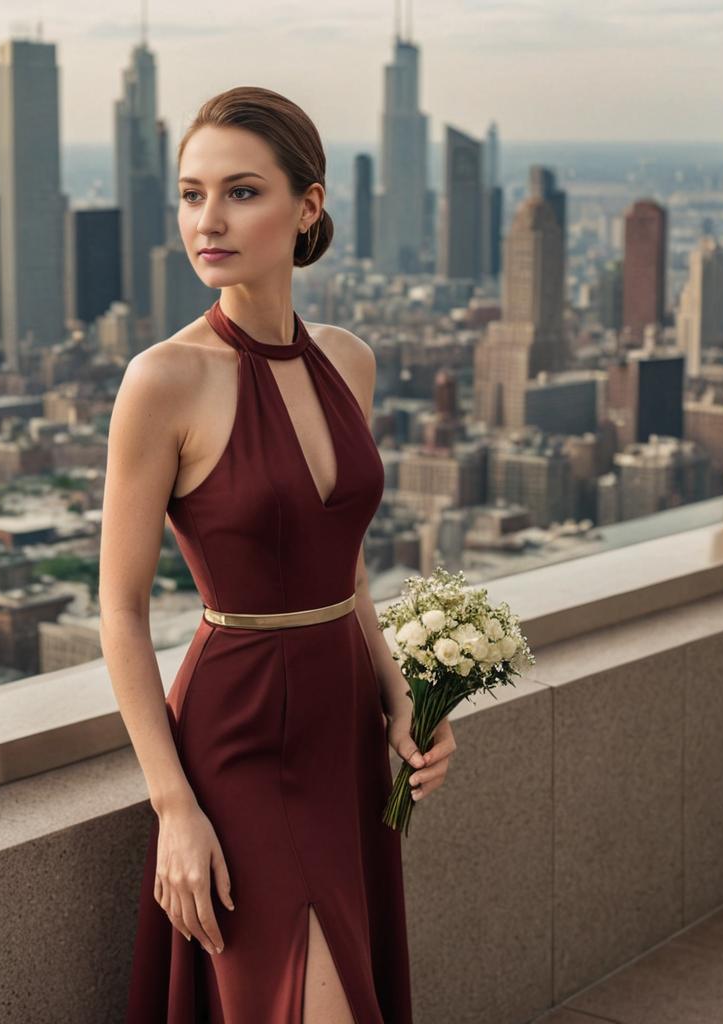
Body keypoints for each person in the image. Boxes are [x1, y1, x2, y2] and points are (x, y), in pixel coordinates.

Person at [99, 85, 456, 1024]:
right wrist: (175, 807)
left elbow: (343, 568)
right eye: (190, 194)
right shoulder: (163, 381)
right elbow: (120, 614)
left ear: (309, 206)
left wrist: (403, 703)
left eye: (241, 192)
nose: (206, 221)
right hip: (239, 728)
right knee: (296, 997)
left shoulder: (349, 360)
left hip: (342, 727)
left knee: (347, 968)